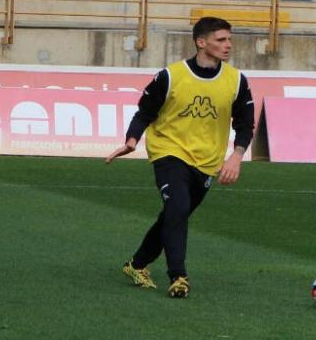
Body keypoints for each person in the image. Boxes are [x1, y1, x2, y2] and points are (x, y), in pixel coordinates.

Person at [105, 17, 255, 298]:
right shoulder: (171, 76)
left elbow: (245, 125)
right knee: (178, 207)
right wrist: (132, 140)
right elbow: (145, 112)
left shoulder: (236, 80)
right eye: (221, 40)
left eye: (229, 40)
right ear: (201, 42)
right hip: (168, 151)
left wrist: (236, 157)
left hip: (207, 161)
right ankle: (178, 276)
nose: (228, 45)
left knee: (175, 214)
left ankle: (136, 264)